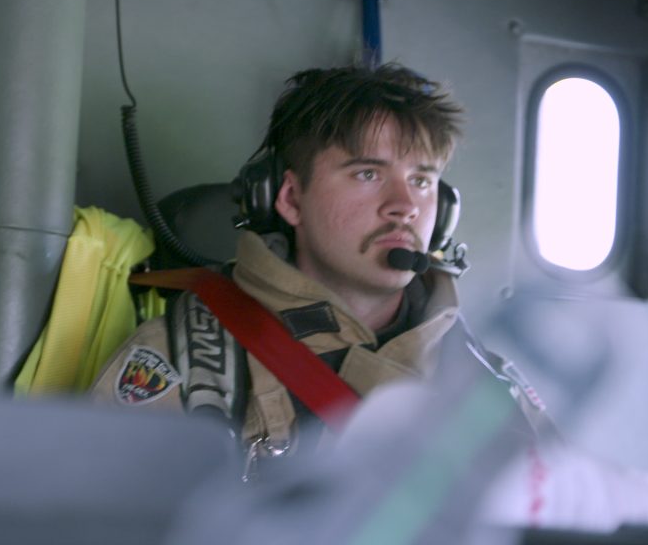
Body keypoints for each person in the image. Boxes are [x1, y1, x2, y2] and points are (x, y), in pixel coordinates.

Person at [92, 63, 535, 465]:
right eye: (368, 174)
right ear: (289, 198)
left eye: (421, 180)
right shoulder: (180, 361)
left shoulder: (485, 379)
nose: (405, 206)